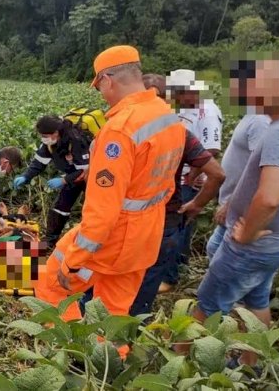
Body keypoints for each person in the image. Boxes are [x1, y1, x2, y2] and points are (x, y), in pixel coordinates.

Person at [34, 45, 185, 320]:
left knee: (51, 287)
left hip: (113, 240)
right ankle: (107, 358)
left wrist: (74, 260)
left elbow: (103, 211)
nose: (101, 94)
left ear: (107, 79)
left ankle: (71, 350)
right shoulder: (166, 115)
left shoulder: (119, 130)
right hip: (148, 234)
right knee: (112, 312)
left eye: (99, 86)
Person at [191, 57, 279, 369]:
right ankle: (253, 365)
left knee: (206, 307)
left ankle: (187, 368)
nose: (250, 91)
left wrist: (247, 230)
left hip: (253, 245)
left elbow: (270, 198)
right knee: (256, 300)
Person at [129, 75, 225, 316]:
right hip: (161, 201)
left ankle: (143, 306)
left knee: (163, 245)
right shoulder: (176, 124)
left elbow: (213, 160)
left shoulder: (201, 115)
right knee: (164, 245)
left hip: (164, 201)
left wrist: (192, 180)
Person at [162, 68, 224, 292]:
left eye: (179, 94)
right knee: (178, 226)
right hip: (179, 175)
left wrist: (192, 175)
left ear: (189, 91)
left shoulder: (206, 111)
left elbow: (212, 149)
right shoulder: (186, 108)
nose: (176, 98)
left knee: (178, 225)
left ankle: (170, 277)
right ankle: (175, 267)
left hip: (190, 178)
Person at [13, 115, 92, 250]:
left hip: (89, 177)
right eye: (41, 135)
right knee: (59, 208)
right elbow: (39, 162)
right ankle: (49, 241)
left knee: (92, 210)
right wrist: (26, 176)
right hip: (72, 177)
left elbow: (85, 171)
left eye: (45, 135)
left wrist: (63, 180)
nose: (44, 138)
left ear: (56, 132)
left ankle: (89, 243)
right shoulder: (49, 144)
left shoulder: (76, 141)